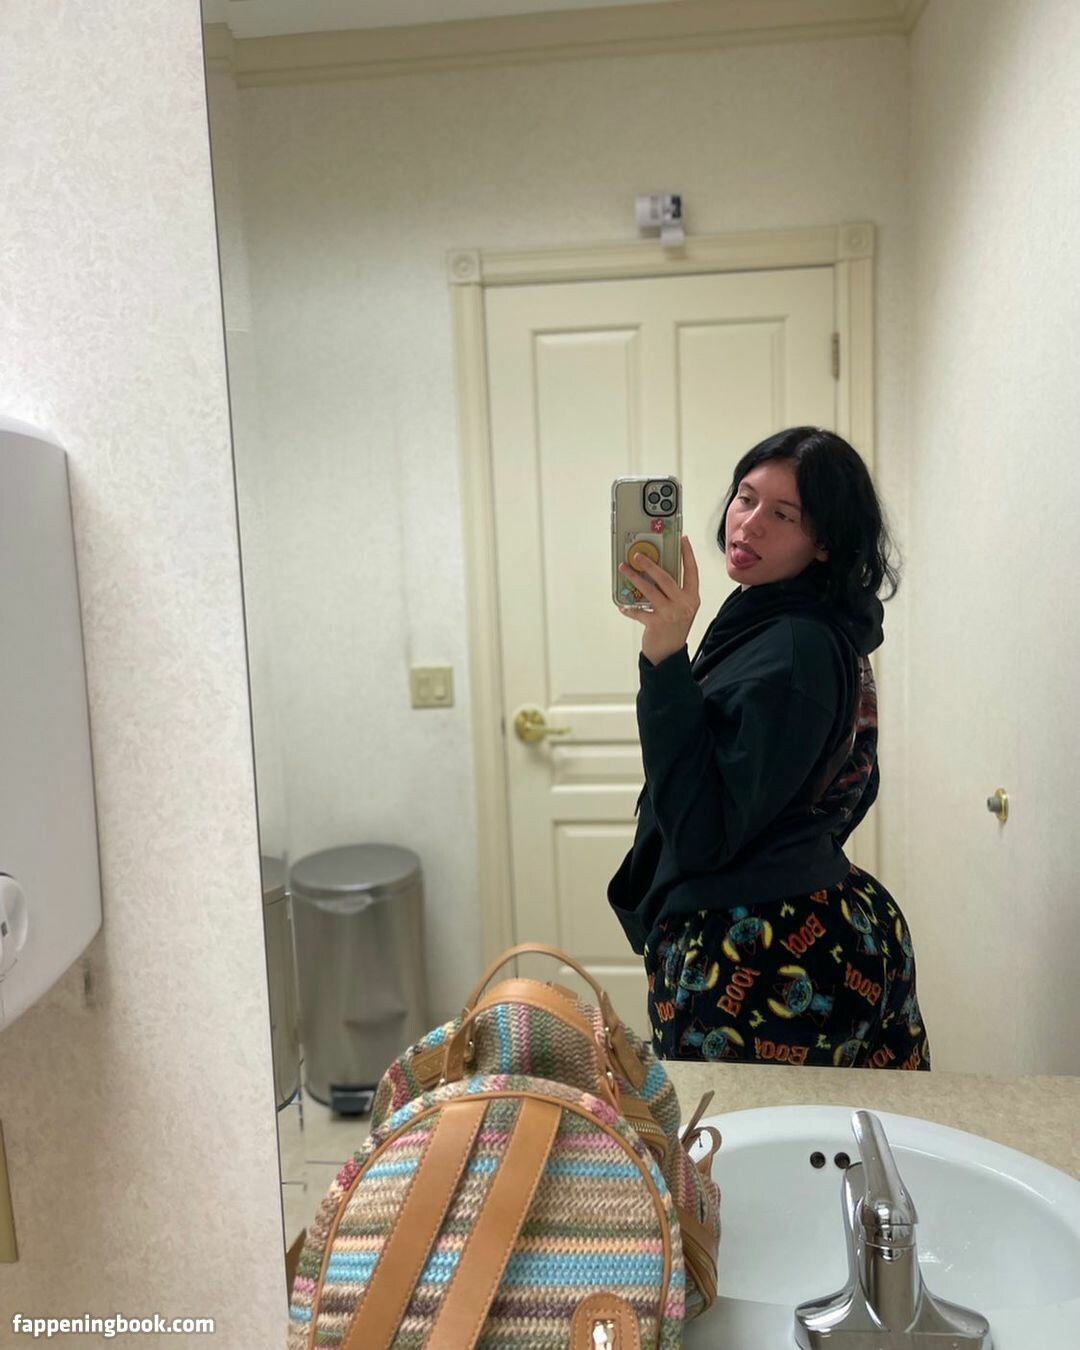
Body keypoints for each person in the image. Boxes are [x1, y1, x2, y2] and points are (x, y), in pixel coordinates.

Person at [608, 427, 930, 1070]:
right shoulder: (787, 621)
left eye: (784, 515)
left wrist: (666, 656)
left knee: (741, 1136)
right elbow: (845, 786)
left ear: (824, 543)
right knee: (851, 1131)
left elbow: (700, 835)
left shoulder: (795, 649)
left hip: (764, 961)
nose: (749, 523)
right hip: (800, 926)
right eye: (746, 497)